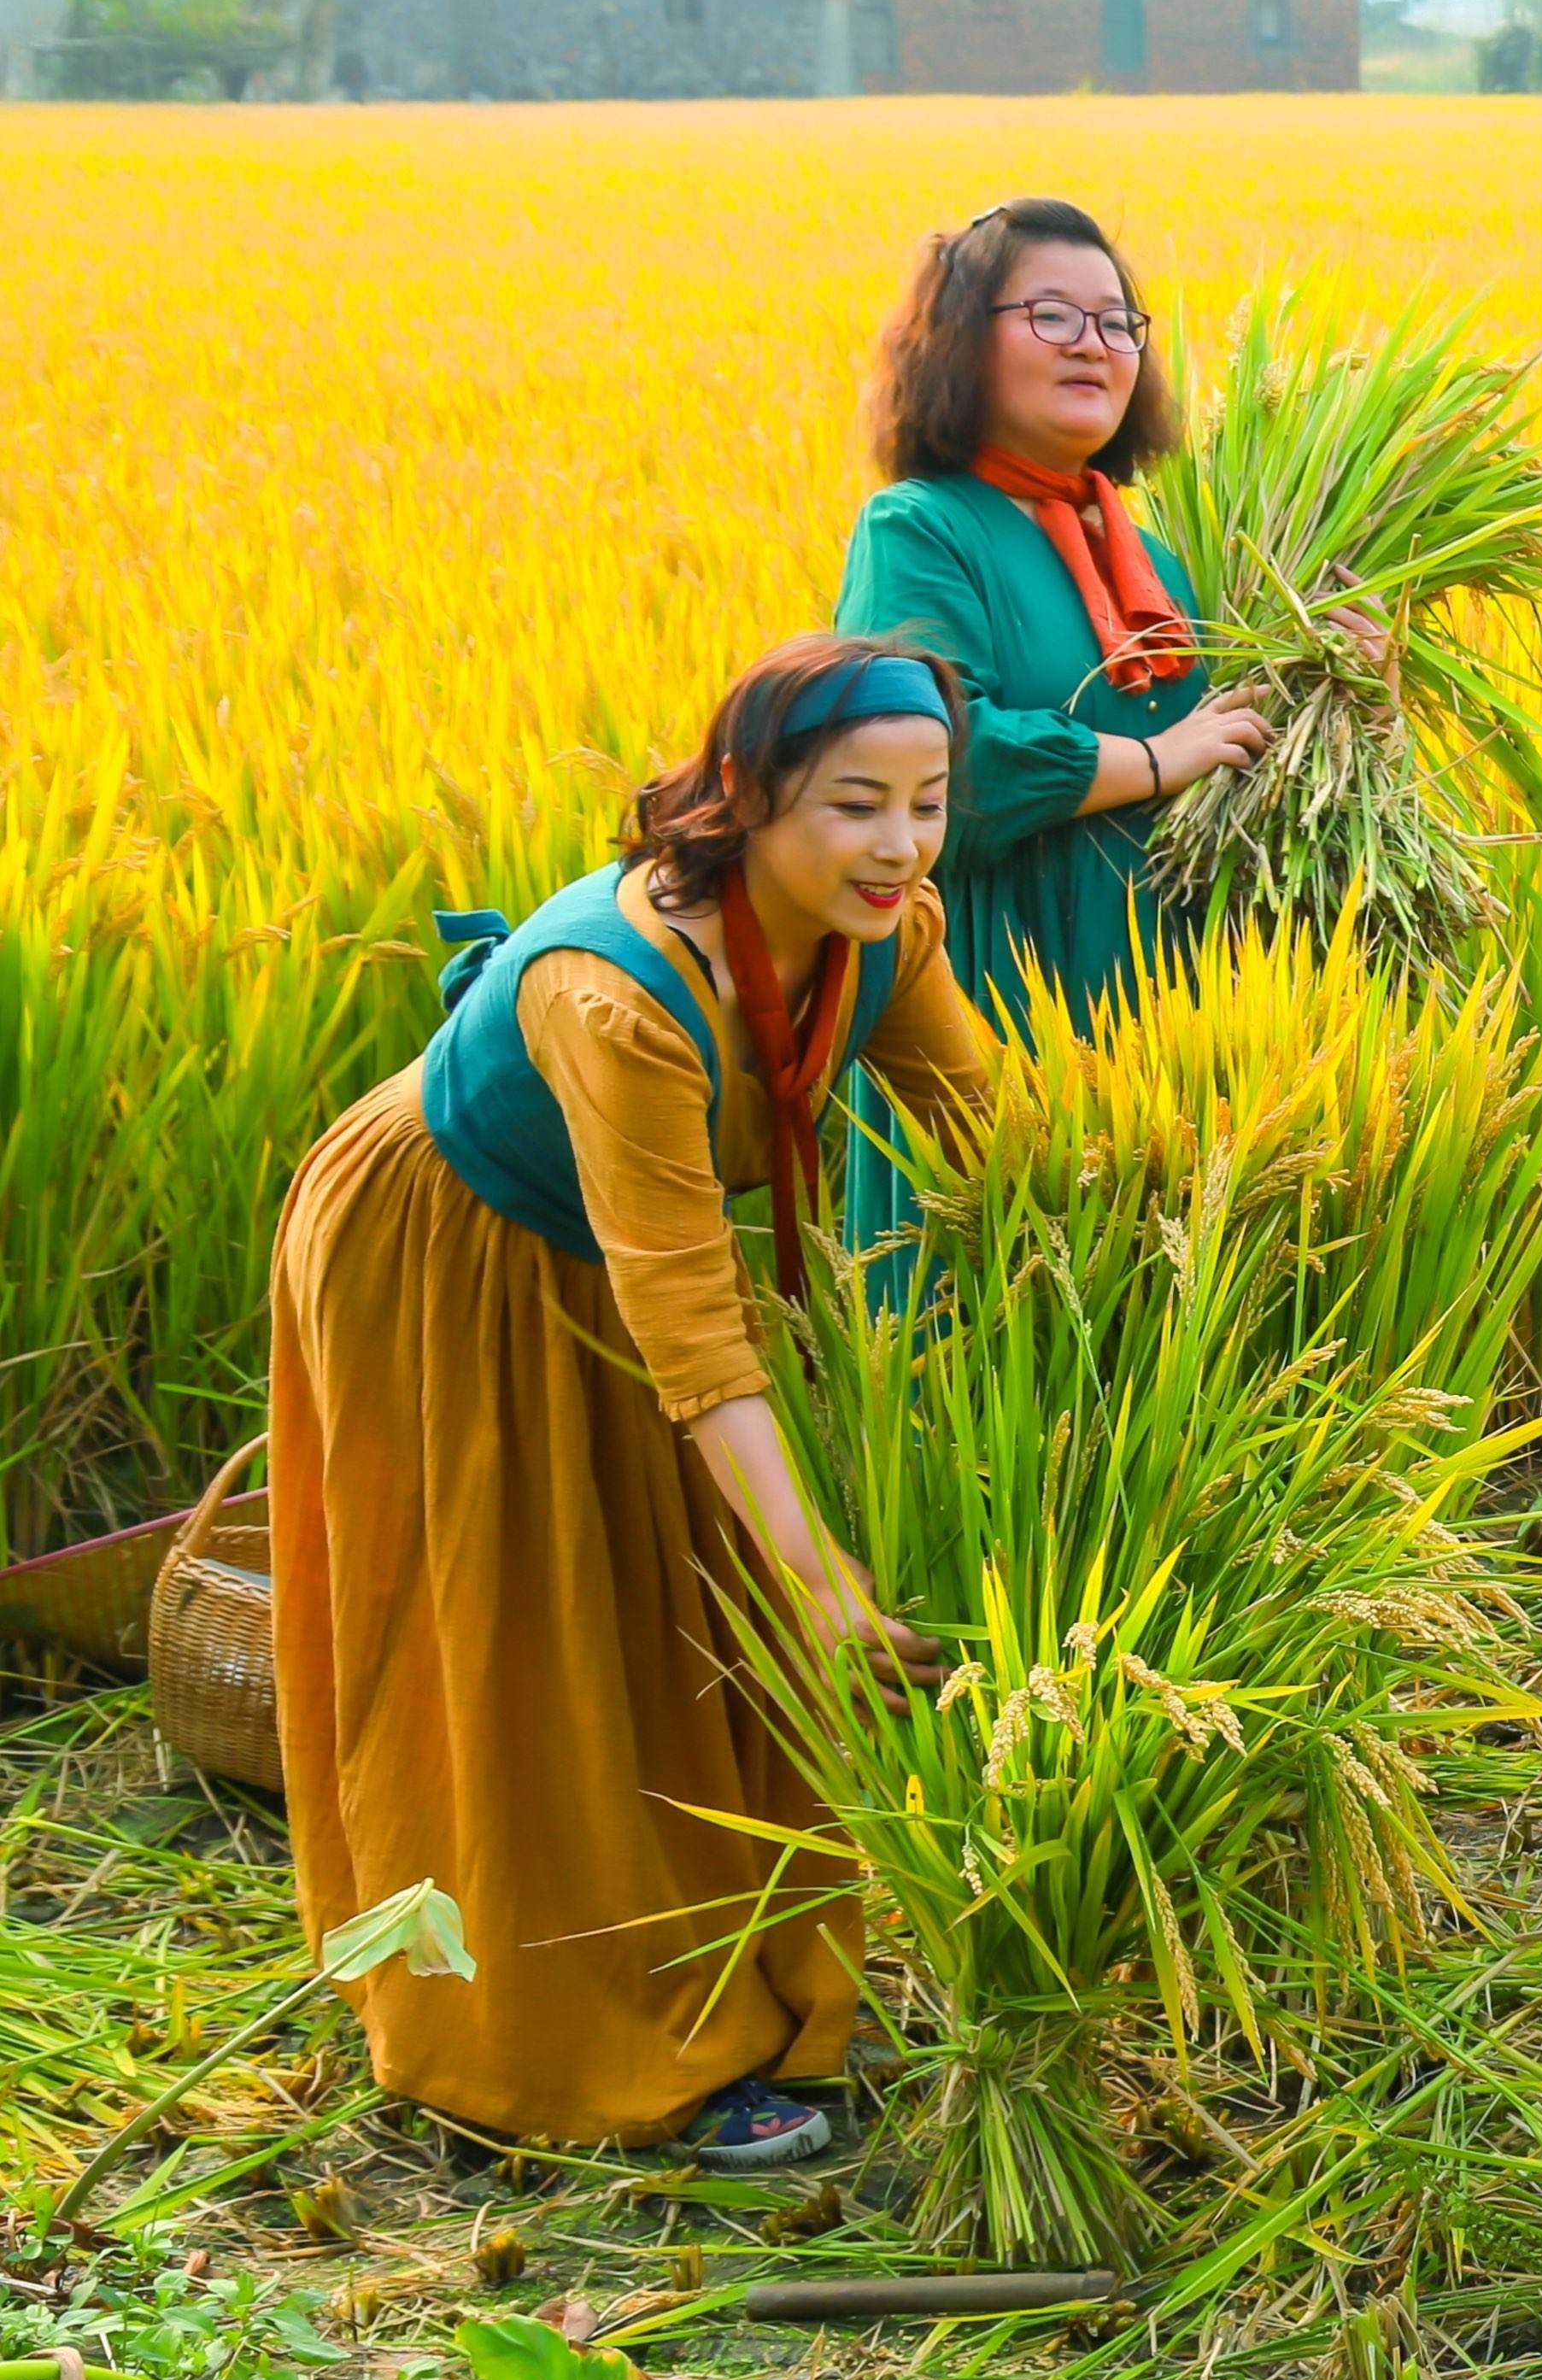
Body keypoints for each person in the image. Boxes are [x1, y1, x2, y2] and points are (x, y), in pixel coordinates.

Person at [269, 636, 986, 2167]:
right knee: (537, 1630)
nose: (900, 842)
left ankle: (738, 1965)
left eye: (927, 801)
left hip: (621, 1265)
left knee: (679, 1609)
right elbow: (698, 1330)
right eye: (856, 802)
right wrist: (822, 1572)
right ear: (744, 795)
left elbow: (1003, 1138)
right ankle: (545, 2034)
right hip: (453, 1244)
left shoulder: (889, 927)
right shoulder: (619, 993)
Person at [831, 196, 1270, 1275]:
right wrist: (1160, 762)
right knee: (991, 1330)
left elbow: (1234, 748)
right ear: (963, 337)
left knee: (1145, 1339)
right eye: (1052, 315)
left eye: (1120, 323)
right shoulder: (921, 527)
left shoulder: (1155, 553)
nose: (1096, 345)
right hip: (998, 986)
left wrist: (1339, 676)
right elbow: (940, 762)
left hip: (1162, 996)